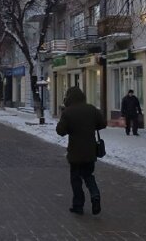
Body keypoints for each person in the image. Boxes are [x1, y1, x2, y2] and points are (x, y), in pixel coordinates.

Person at [56, 86, 107, 216]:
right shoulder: (91, 109)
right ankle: (95, 194)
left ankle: (78, 206)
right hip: (90, 151)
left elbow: (60, 131)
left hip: (75, 152)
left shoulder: (68, 112)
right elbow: (102, 124)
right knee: (89, 175)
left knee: (76, 179)